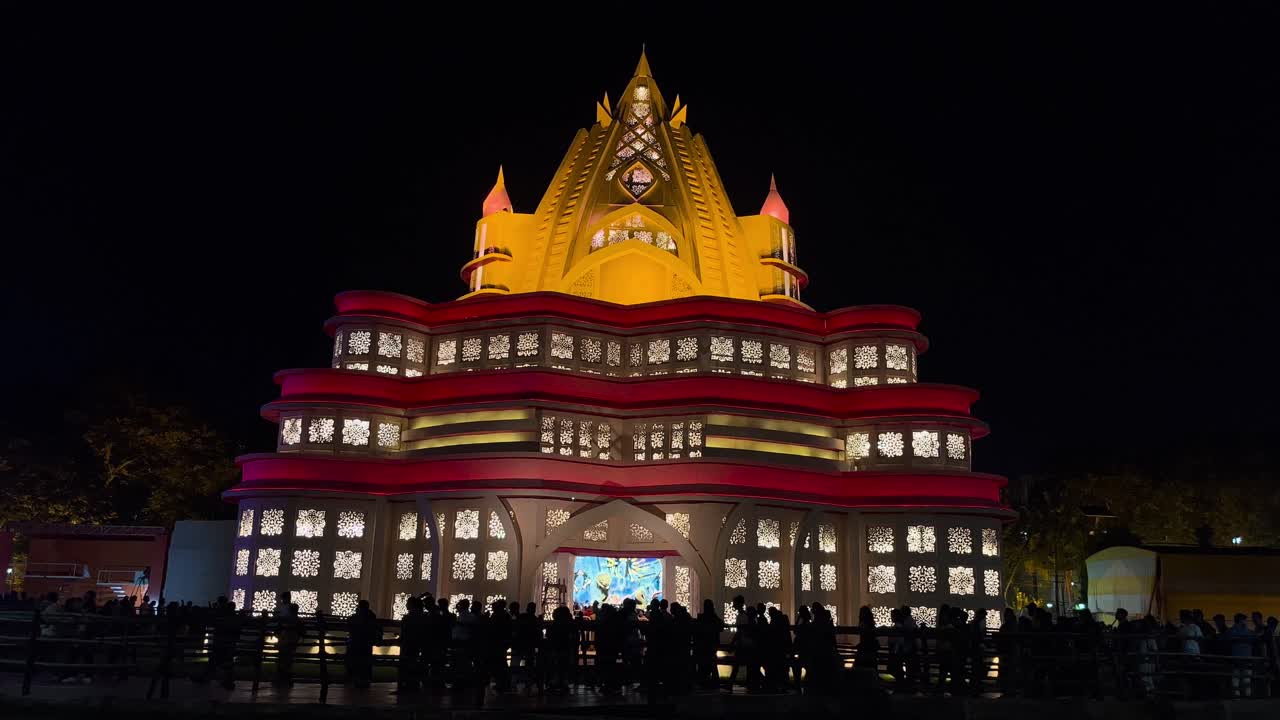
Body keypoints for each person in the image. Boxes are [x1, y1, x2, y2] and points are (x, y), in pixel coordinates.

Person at [397, 596, 428, 693]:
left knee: (406, 663)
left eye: (407, 603)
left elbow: (405, 630)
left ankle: (405, 684)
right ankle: (413, 684)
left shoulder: (409, 617)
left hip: (409, 643)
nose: (406, 605)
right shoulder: (423, 616)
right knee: (413, 663)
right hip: (418, 644)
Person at [346, 599, 379, 689]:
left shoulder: (356, 617)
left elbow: (350, 624)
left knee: (355, 662)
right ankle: (365, 680)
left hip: (355, 643)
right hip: (366, 644)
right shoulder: (371, 616)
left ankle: (355, 679)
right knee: (365, 662)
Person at [694, 599, 721, 690]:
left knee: (705, 664)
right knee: (711, 664)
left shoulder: (702, 617)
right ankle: (712, 681)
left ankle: (705, 681)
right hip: (711, 644)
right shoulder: (713, 617)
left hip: (703, 645)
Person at [1228, 613, 1255, 698]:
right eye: (1244, 620)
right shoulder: (1233, 630)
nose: (1245, 622)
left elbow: (1254, 638)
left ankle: (1245, 695)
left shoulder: (1247, 631)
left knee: (1244, 678)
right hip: (1238, 658)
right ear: (1240, 620)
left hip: (1245, 658)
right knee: (1238, 677)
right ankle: (1240, 695)